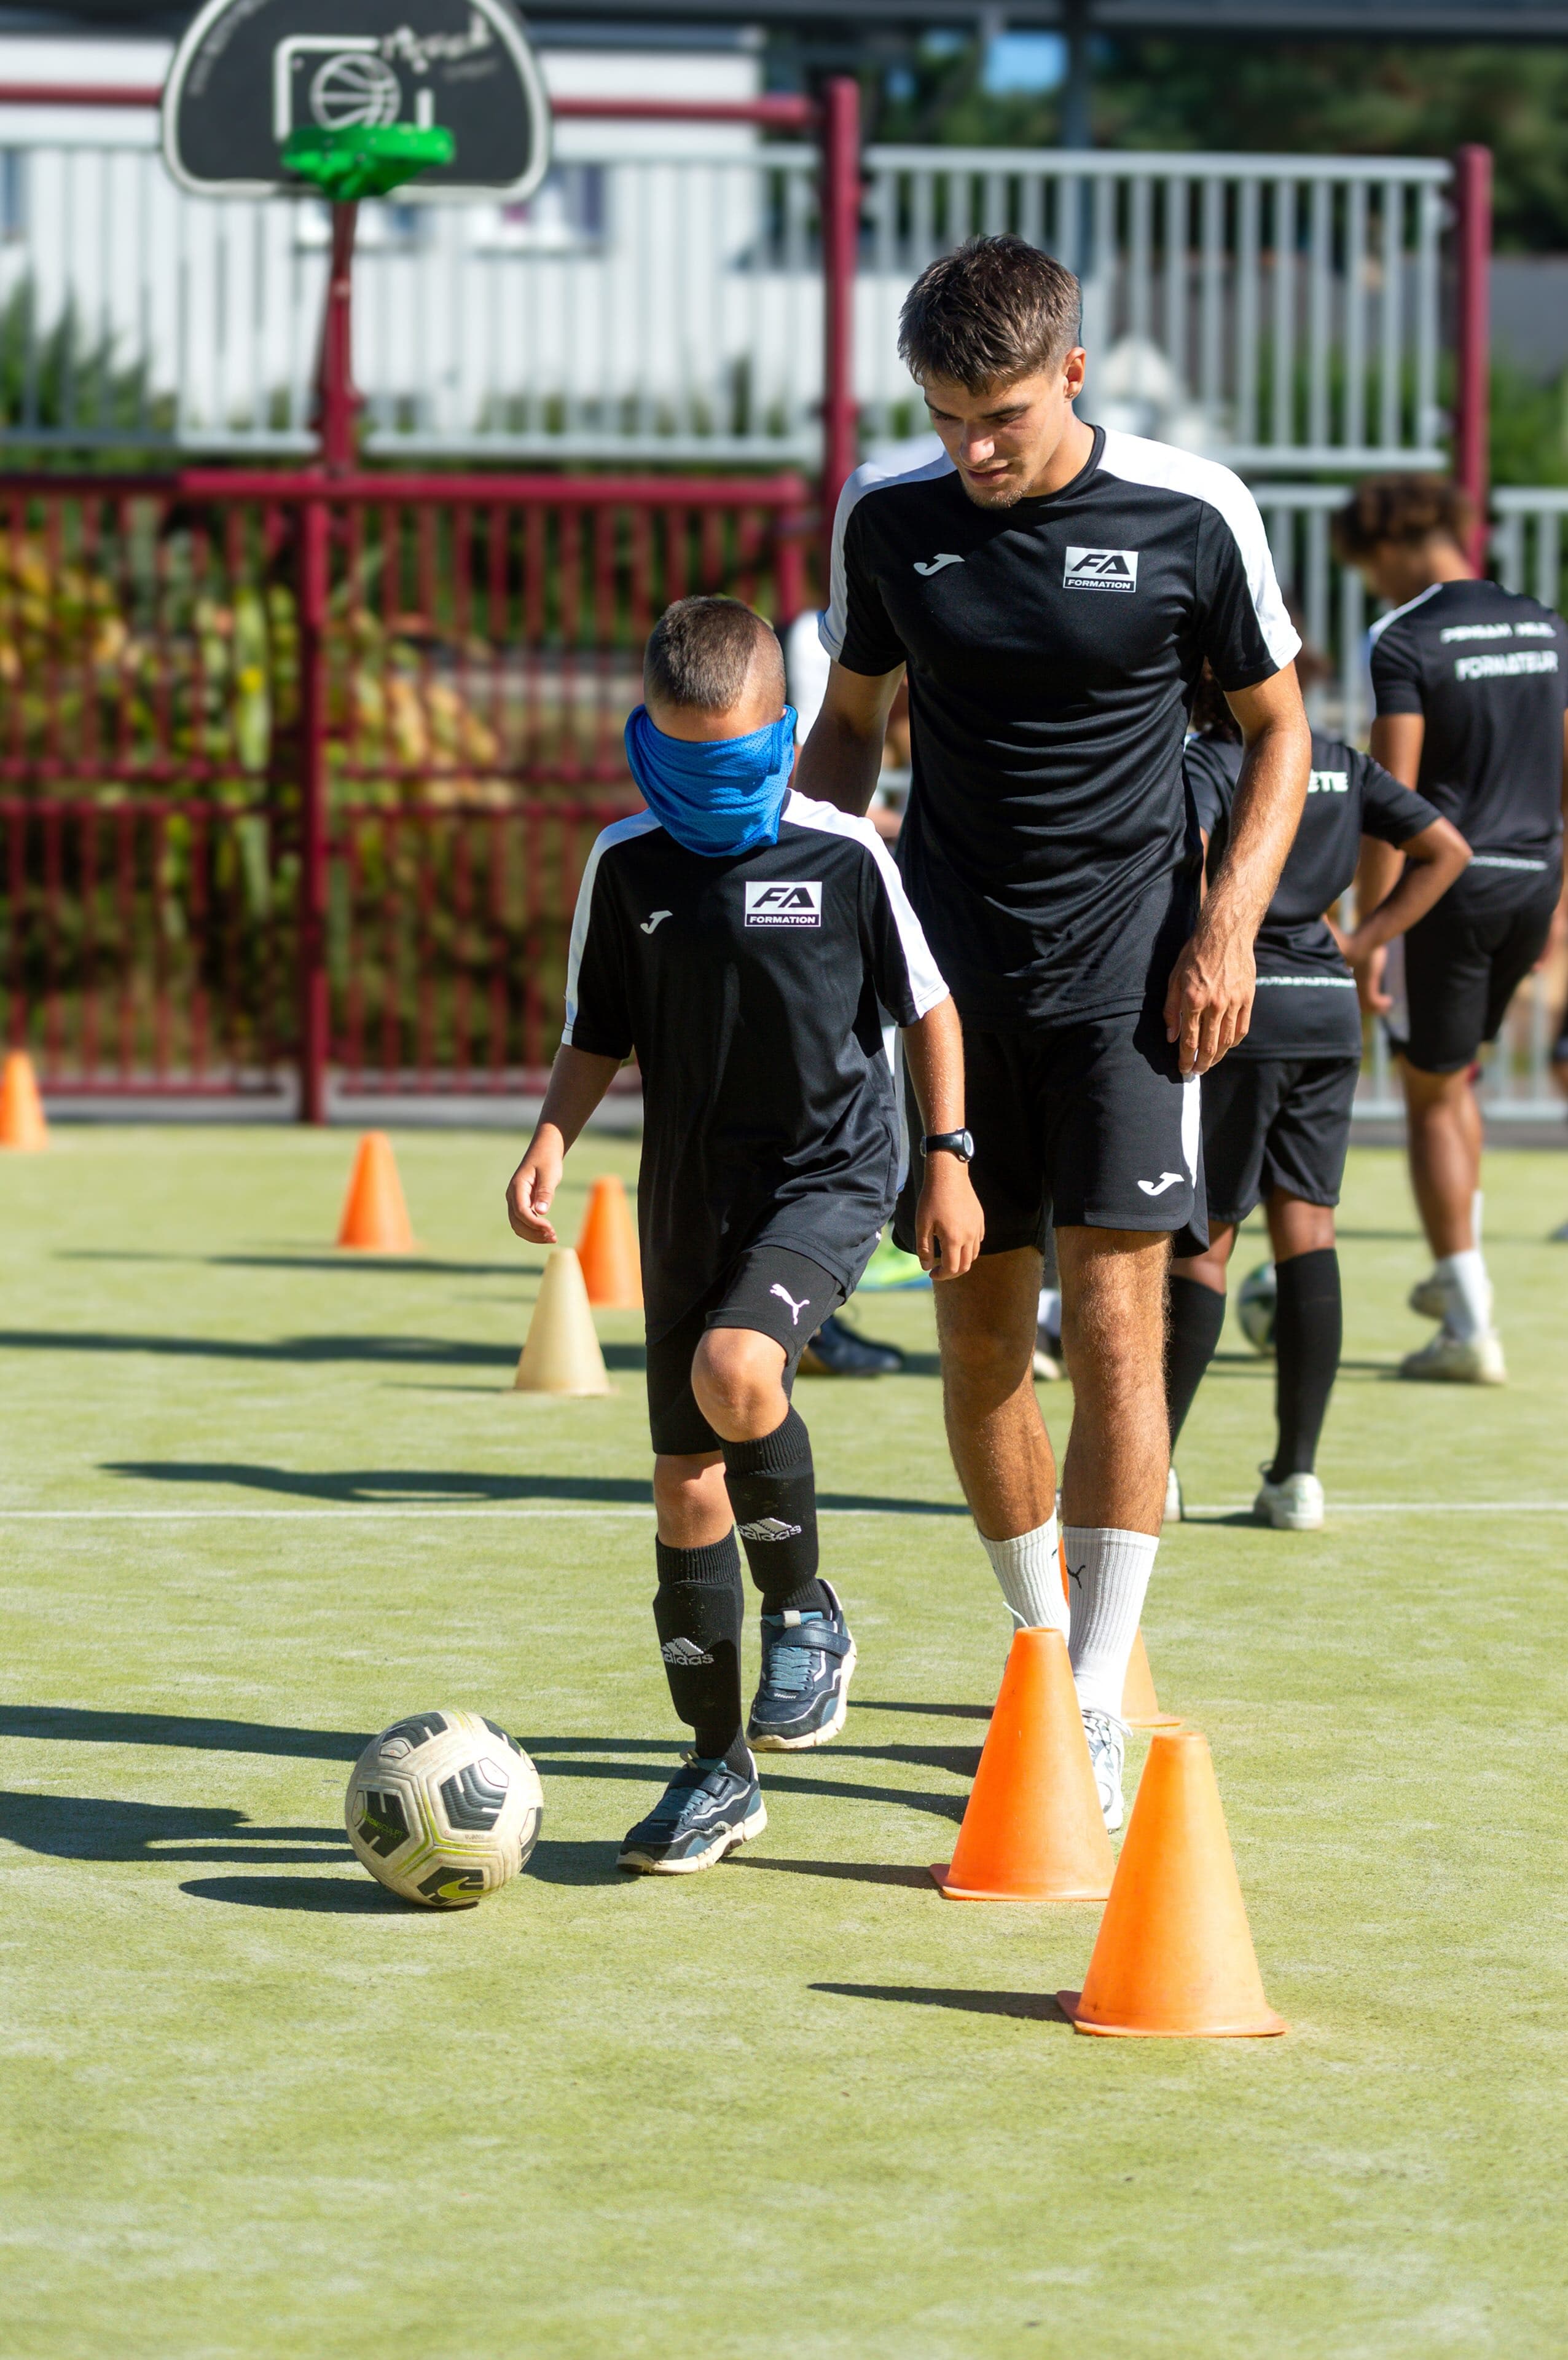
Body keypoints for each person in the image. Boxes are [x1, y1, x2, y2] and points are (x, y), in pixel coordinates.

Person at [796, 235, 1312, 1829]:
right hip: (950, 995)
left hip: (1131, 985)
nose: (973, 449)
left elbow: (1281, 732)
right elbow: (850, 734)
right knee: (976, 1343)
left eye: (1002, 415)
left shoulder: (1191, 510)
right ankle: (1037, 1648)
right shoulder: (887, 516)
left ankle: (1093, 1691)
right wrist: (808, 935)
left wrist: (1225, 928)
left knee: (1112, 1332)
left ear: (1072, 375)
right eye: (946, 417)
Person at [506, 595, 982, 1874]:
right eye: (682, 759)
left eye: (732, 759)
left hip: (831, 1171)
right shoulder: (626, 863)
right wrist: (551, 1136)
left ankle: (807, 1611)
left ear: (779, 733)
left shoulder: (845, 853)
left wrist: (949, 1157)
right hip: (688, 1196)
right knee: (684, 1486)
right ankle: (717, 1769)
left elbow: (930, 1010)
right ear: (641, 739)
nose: (707, 786)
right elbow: (596, 1028)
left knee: (737, 1370)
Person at [1166, 667, 1470, 1528]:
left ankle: (1152, 1470)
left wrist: (1196, 951)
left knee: (1203, 1244)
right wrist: (1363, 944)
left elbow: (1191, 861)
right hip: (1330, 1013)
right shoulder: (1341, 760)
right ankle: (1295, 1479)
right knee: (1308, 1230)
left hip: (1242, 1009)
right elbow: (1447, 849)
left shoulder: (1209, 760)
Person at [1334, 476, 1568, 1383]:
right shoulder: (1544, 624)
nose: (1374, 585)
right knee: (1456, 1075)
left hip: (1450, 892)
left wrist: (1369, 934)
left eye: (1368, 568)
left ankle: (1469, 1322)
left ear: (1392, 546)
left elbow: (1392, 798)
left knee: (1429, 1092)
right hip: (1534, 879)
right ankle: (1456, 1271)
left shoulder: (1405, 636)